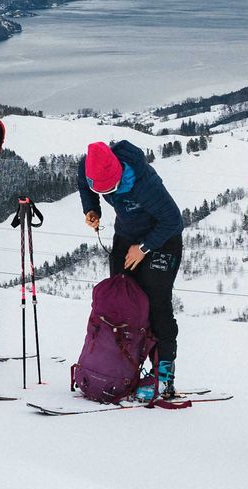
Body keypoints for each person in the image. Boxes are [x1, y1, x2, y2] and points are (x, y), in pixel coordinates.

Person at [79, 139, 185, 400]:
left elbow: (173, 220)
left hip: (161, 240)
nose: (110, 193)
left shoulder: (144, 183)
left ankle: (163, 375)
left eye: (112, 188)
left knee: (156, 304)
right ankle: (120, 365)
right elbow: (84, 182)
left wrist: (144, 248)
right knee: (120, 301)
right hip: (127, 236)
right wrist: (92, 208)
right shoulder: (89, 167)